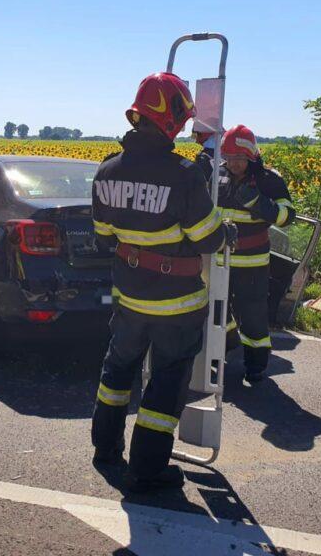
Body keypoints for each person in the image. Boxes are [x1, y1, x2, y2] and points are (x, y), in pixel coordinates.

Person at [91, 72, 231, 493]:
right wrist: (226, 231)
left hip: (129, 298)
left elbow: (103, 238)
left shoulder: (107, 171)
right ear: (169, 117)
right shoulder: (183, 175)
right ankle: (147, 468)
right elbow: (209, 237)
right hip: (177, 305)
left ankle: (106, 449)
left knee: (117, 373)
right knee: (166, 383)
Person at [218, 125, 295, 383]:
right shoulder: (218, 176)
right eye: (228, 158)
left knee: (253, 317)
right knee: (215, 311)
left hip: (253, 263)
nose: (233, 164)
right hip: (219, 261)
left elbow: (287, 217)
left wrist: (258, 203)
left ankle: (256, 366)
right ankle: (225, 346)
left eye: (239, 159)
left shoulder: (268, 180)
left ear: (251, 156)